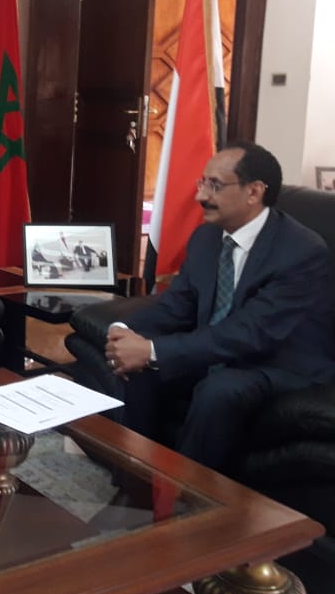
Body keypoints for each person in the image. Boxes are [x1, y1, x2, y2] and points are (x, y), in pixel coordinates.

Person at [105, 141, 335, 471]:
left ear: (253, 191)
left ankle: (187, 494)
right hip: (220, 351)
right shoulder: (206, 237)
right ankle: (133, 475)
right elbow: (177, 305)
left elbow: (251, 332)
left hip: (278, 362)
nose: (201, 196)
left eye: (214, 185)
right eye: (202, 182)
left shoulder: (301, 251)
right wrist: (124, 330)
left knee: (220, 390)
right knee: (138, 370)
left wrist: (152, 350)